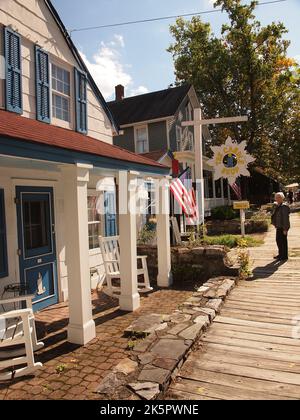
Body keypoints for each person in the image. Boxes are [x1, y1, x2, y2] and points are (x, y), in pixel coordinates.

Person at [271, 192, 290, 261]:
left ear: (282, 198)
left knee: (283, 242)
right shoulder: (277, 205)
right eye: (276, 197)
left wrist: (285, 229)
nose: (277, 199)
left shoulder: (284, 206)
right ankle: (281, 254)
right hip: (278, 226)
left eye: (279, 197)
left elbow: (285, 219)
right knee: (278, 241)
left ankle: (284, 256)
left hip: (283, 227)